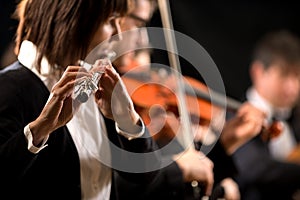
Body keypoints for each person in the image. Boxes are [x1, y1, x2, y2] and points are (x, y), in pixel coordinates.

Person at [0, 0, 163, 199]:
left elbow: (146, 174)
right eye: (111, 21)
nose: (119, 35)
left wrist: (128, 119)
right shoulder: (8, 89)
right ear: (73, 18)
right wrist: (40, 129)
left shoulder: (96, 82)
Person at [109, 0, 267, 199]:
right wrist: (179, 169)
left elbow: (173, 188)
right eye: (139, 24)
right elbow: (119, 189)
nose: (142, 39)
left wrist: (224, 144)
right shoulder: (102, 97)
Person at [232, 30, 300, 200]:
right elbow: (255, 169)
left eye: (297, 75)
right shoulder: (236, 118)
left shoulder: (294, 116)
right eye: (284, 75)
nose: (293, 87)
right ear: (258, 72)